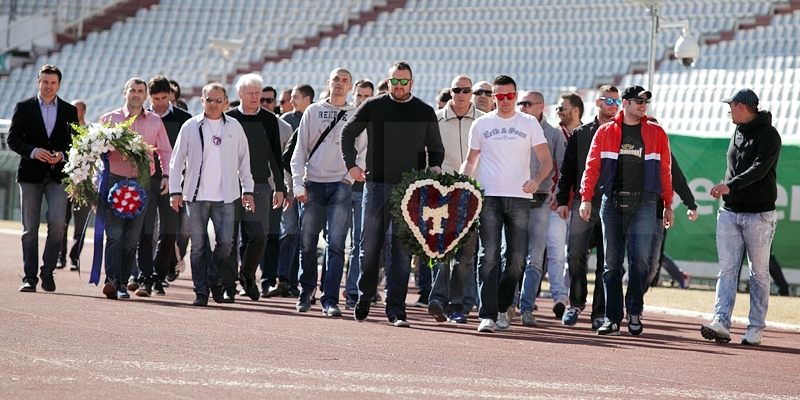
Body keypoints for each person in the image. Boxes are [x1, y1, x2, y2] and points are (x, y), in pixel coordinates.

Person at [341, 61, 445, 327]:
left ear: (412, 82)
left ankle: (396, 309)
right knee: (369, 247)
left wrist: (435, 166)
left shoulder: (424, 111)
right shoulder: (374, 105)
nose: (398, 86)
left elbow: (435, 147)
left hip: (409, 191)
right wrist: (351, 165)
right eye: (394, 82)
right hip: (374, 186)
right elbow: (347, 132)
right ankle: (365, 294)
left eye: (403, 81)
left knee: (401, 253)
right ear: (388, 82)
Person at [579, 85, 674, 336]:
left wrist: (668, 205)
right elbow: (591, 168)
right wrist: (585, 198)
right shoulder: (605, 132)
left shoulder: (657, 133)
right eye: (637, 100)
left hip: (645, 203)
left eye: (645, 101)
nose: (643, 104)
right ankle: (612, 318)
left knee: (640, 261)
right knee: (610, 264)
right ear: (625, 103)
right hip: (611, 203)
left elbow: (665, 171)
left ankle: (634, 311)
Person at [461, 75, 552, 333]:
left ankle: (503, 307)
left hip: (520, 198)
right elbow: (470, 161)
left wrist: (536, 180)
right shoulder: (481, 124)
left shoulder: (530, 123)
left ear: (516, 95)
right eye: (498, 96)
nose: (504, 101)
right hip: (488, 196)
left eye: (509, 96)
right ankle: (487, 315)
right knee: (487, 255)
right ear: (493, 98)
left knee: (516, 260)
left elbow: (547, 161)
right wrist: (461, 184)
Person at [701, 88, 781, 345]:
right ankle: (721, 323)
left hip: (759, 215)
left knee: (758, 273)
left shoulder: (769, 135)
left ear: (742, 106)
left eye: (731, 105)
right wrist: (726, 186)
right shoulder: (737, 130)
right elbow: (734, 167)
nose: (728, 109)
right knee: (727, 270)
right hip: (729, 212)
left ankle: (756, 327)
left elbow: (759, 169)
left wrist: (729, 185)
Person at [169, 82, 255, 306]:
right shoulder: (190, 126)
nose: (214, 104)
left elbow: (244, 161)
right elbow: (177, 161)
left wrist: (248, 190)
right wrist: (175, 190)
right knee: (197, 246)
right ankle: (201, 291)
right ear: (202, 101)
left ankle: (214, 279)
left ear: (226, 102)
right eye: (209, 100)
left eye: (219, 100)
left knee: (226, 243)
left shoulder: (235, 127)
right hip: (195, 197)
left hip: (226, 197)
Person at [291, 68, 366, 315]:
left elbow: (363, 150)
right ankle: (306, 291)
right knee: (308, 243)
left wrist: (348, 178)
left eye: (345, 80)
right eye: (336, 79)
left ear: (350, 87)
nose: (340, 83)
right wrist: (297, 183)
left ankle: (330, 299)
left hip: (340, 186)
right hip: (312, 183)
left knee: (336, 245)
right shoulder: (312, 111)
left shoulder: (356, 115)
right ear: (328, 82)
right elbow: (299, 149)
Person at [98, 77, 173, 300]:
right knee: (114, 234)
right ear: (125, 93)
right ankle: (111, 280)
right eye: (132, 90)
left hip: (141, 184)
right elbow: (96, 151)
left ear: (145, 95)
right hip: (114, 181)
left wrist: (167, 174)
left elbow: (165, 151)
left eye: (140, 91)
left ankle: (122, 282)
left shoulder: (155, 121)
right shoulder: (109, 118)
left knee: (132, 238)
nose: (136, 94)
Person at [9, 64, 78, 293]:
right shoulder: (23, 108)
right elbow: (13, 140)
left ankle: (47, 272)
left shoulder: (69, 111)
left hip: (58, 176)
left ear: (59, 84)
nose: (49, 86)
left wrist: (62, 155)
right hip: (30, 174)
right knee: (30, 228)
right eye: (45, 82)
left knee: (58, 223)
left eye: (53, 83)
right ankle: (29, 277)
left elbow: (76, 143)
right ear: (38, 82)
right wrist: (33, 151)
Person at [424, 75, 484, 324]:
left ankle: (457, 305)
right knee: (440, 249)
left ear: (472, 92)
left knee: (466, 253)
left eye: (466, 90)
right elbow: (425, 155)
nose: (461, 94)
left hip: (473, 194)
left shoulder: (483, 121)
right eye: (457, 90)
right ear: (450, 92)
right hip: (441, 193)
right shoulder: (435, 120)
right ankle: (438, 299)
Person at [558, 85, 618, 330]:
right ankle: (576, 302)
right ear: (597, 103)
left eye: (616, 101)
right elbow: (568, 170)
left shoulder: (625, 133)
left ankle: (599, 313)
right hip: (584, 201)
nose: (612, 106)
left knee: (607, 260)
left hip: (614, 205)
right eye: (608, 100)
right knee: (574, 253)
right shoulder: (581, 134)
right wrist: (562, 200)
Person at [225, 74, 285, 302]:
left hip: (260, 185)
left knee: (259, 235)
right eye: (250, 93)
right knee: (228, 238)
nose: (255, 97)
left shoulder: (270, 120)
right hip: (230, 185)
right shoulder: (228, 118)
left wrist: (280, 187)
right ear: (239, 94)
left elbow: (275, 155)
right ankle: (228, 285)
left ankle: (248, 273)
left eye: (258, 93)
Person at [517, 90, 567, 327]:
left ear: (541, 107)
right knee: (511, 257)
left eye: (527, 103)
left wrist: (558, 194)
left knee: (535, 259)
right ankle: (508, 304)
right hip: (512, 201)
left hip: (540, 202)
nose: (522, 107)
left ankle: (526, 308)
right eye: (520, 103)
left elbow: (564, 167)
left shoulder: (554, 135)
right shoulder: (512, 129)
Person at [266, 83, 315, 298]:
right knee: (288, 233)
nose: (291, 101)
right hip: (290, 188)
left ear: (308, 99)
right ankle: (283, 279)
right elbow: (283, 159)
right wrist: (289, 187)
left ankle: (300, 283)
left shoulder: (316, 118)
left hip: (314, 187)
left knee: (307, 237)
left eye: (295, 97)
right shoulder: (286, 121)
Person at [148, 76, 192, 288]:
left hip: (174, 182)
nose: (161, 102)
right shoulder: (141, 117)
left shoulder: (185, 119)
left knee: (169, 230)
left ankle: (158, 276)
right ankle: (143, 275)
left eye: (165, 97)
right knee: (145, 230)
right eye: (156, 98)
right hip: (145, 180)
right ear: (150, 97)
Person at [258, 85, 293, 296]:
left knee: (271, 235)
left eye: (269, 100)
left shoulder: (285, 128)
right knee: (249, 236)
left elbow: (287, 163)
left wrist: (287, 189)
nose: (264, 104)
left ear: (276, 104)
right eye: (261, 100)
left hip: (274, 190)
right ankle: (246, 280)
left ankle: (267, 281)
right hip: (248, 188)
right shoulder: (241, 123)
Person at [344, 78, 374, 309]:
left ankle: (353, 291)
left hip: (363, 187)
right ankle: (328, 290)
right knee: (333, 243)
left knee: (358, 243)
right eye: (359, 95)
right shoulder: (344, 117)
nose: (363, 100)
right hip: (340, 185)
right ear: (353, 95)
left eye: (367, 96)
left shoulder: (375, 120)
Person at [58, 99, 91, 272]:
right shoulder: (64, 131)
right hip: (65, 183)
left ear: (83, 111)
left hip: (84, 184)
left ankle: (74, 257)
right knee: (61, 220)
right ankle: (60, 255)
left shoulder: (91, 132)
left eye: (76, 109)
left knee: (80, 224)